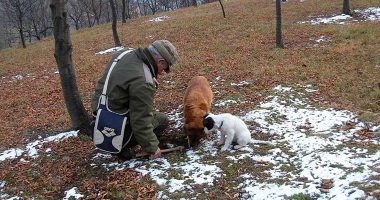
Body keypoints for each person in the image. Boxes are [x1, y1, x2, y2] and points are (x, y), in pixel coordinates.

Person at [91, 40, 178, 160]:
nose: (163, 72)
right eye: (165, 68)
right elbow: (141, 120)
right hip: (115, 127)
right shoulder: (143, 81)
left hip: (99, 115)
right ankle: (122, 148)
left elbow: (123, 79)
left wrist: (148, 76)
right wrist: (152, 147)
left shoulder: (123, 53)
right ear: (160, 61)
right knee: (162, 120)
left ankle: (118, 141)